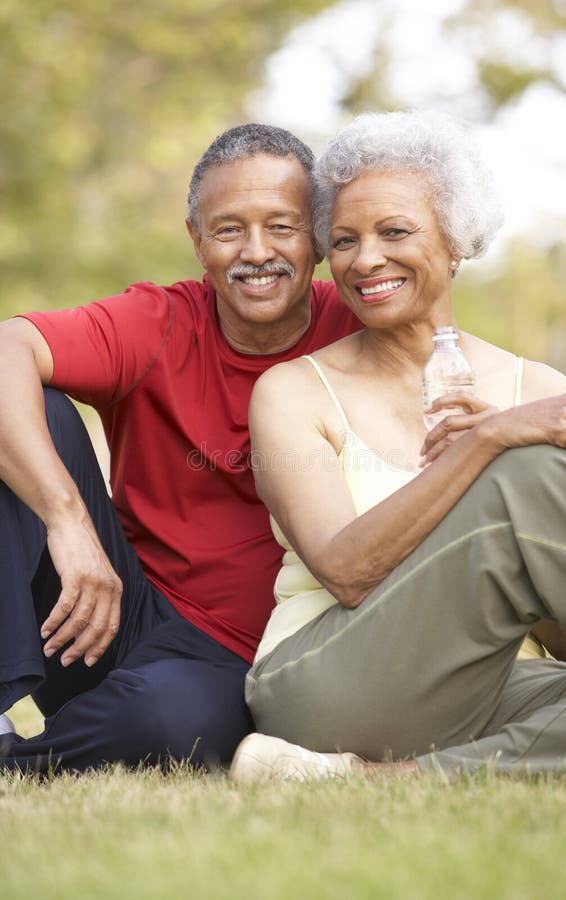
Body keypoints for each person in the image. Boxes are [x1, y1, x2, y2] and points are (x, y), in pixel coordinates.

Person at [230, 110, 566, 785]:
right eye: (343, 240)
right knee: (529, 463)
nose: (366, 259)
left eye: (394, 231)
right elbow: (345, 570)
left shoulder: (537, 387)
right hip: (329, 677)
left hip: (481, 689)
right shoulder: (293, 391)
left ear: (456, 242)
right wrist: (482, 447)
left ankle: (374, 779)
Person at [0, 123, 362, 773]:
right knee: (37, 414)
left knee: (172, 724)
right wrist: (68, 520)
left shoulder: (360, 331)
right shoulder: (159, 322)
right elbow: (6, 348)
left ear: (318, 237)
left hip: (239, 658)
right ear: (198, 241)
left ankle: (19, 762)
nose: (257, 251)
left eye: (281, 226)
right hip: (103, 609)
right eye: (228, 229)